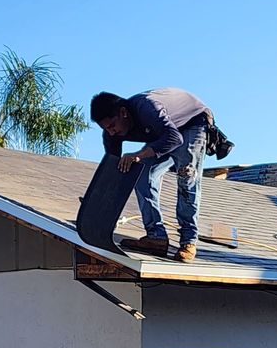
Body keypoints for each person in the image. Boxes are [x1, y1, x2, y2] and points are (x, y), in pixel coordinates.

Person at [90, 88, 213, 263]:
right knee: (140, 173)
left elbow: (174, 139)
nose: (111, 133)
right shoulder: (111, 134)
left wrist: (139, 155)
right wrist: (97, 201)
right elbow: (113, 171)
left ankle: (188, 241)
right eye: (106, 129)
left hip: (192, 124)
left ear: (123, 113)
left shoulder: (147, 108)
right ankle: (156, 237)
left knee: (187, 177)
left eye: (112, 126)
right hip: (165, 132)